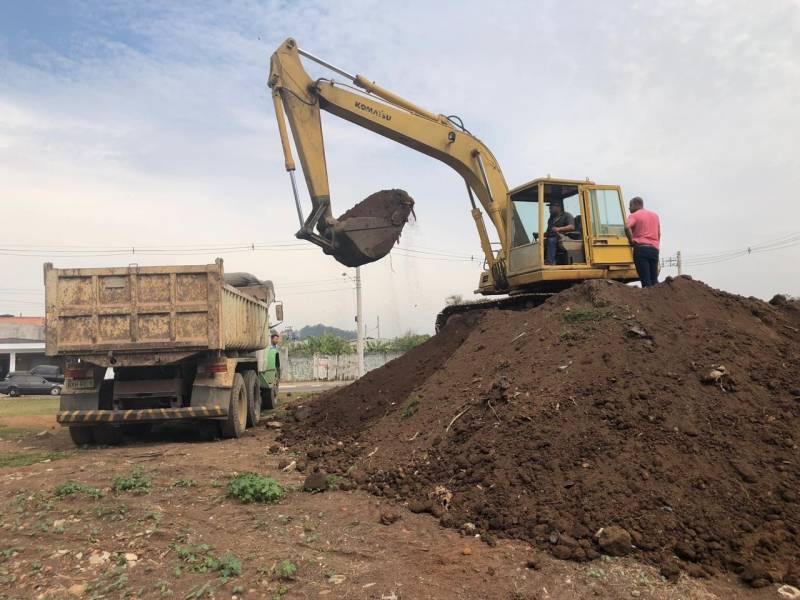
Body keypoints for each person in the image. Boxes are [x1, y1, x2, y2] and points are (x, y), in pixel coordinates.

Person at [625, 196, 661, 288]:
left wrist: (631, 240)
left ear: (635, 205)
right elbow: (659, 233)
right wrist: (655, 245)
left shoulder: (635, 215)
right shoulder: (655, 216)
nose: (629, 208)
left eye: (630, 206)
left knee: (645, 279)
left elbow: (626, 227)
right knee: (654, 279)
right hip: (654, 250)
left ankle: (648, 300)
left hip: (641, 249)